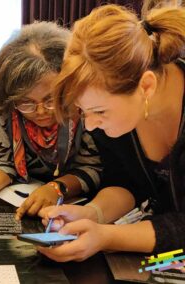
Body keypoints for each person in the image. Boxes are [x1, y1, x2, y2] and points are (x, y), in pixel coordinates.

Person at [39, 4, 185, 262]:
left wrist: (106, 236)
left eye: (99, 112)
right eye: (84, 112)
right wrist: (93, 214)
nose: (92, 125)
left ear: (146, 86)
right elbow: (124, 182)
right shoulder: (113, 116)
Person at [0, 22, 102, 221]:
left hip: (76, 206)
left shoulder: (85, 103)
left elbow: (93, 167)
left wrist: (56, 188)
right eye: (26, 102)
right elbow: (1, 159)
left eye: (51, 99)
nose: (41, 111)